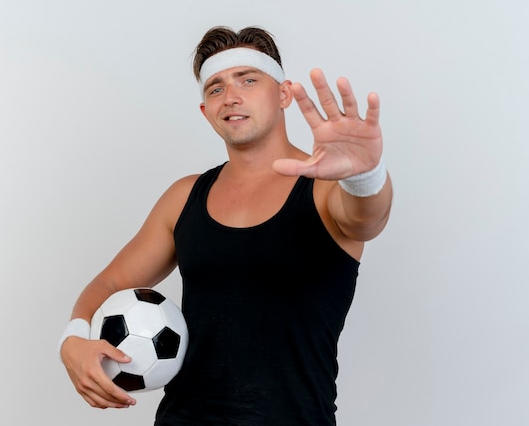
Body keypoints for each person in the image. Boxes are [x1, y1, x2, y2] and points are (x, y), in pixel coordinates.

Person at [59, 26, 393, 425]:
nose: (231, 96)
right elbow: (110, 284)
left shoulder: (325, 191)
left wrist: (364, 175)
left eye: (248, 80)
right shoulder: (184, 197)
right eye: (215, 88)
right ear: (206, 111)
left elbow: (367, 218)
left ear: (284, 94)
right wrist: (73, 337)